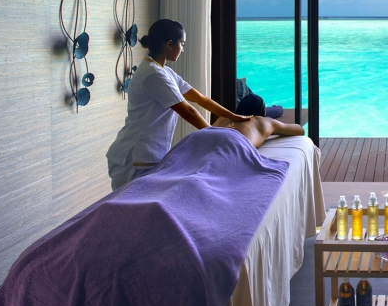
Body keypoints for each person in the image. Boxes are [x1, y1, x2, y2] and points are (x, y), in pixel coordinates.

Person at [106, 19, 251, 190]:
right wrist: (215, 135)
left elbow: (200, 99)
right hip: (135, 155)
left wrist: (233, 116)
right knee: (129, 204)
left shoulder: (165, 72)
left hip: (148, 153)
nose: (182, 49)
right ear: (169, 44)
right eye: (182, 44)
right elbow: (188, 111)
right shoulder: (153, 75)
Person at [213, 114, 305, 148]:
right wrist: (273, 130)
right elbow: (300, 130)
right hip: (234, 147)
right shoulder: (263, 122)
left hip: (210, 142)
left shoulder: (222, 119)